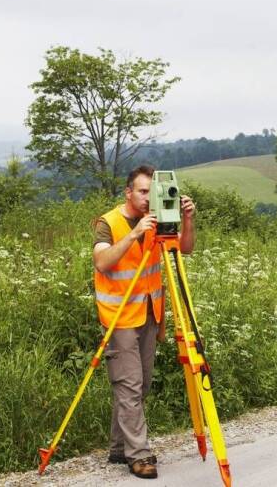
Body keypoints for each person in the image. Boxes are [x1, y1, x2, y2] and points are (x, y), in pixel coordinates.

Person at [92, 165, 195, 479]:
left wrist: (187, 219)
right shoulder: (107, 223)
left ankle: (118, 447)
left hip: (150, 314)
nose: (148, 197)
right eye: (142, 191)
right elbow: (103, 262)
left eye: (153, 191)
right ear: (128, 192)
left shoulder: (160, 219)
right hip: (119, 317)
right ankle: (139, 455)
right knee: (130, 385)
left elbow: (185, 249)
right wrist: (135, 233)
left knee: (139, 384)